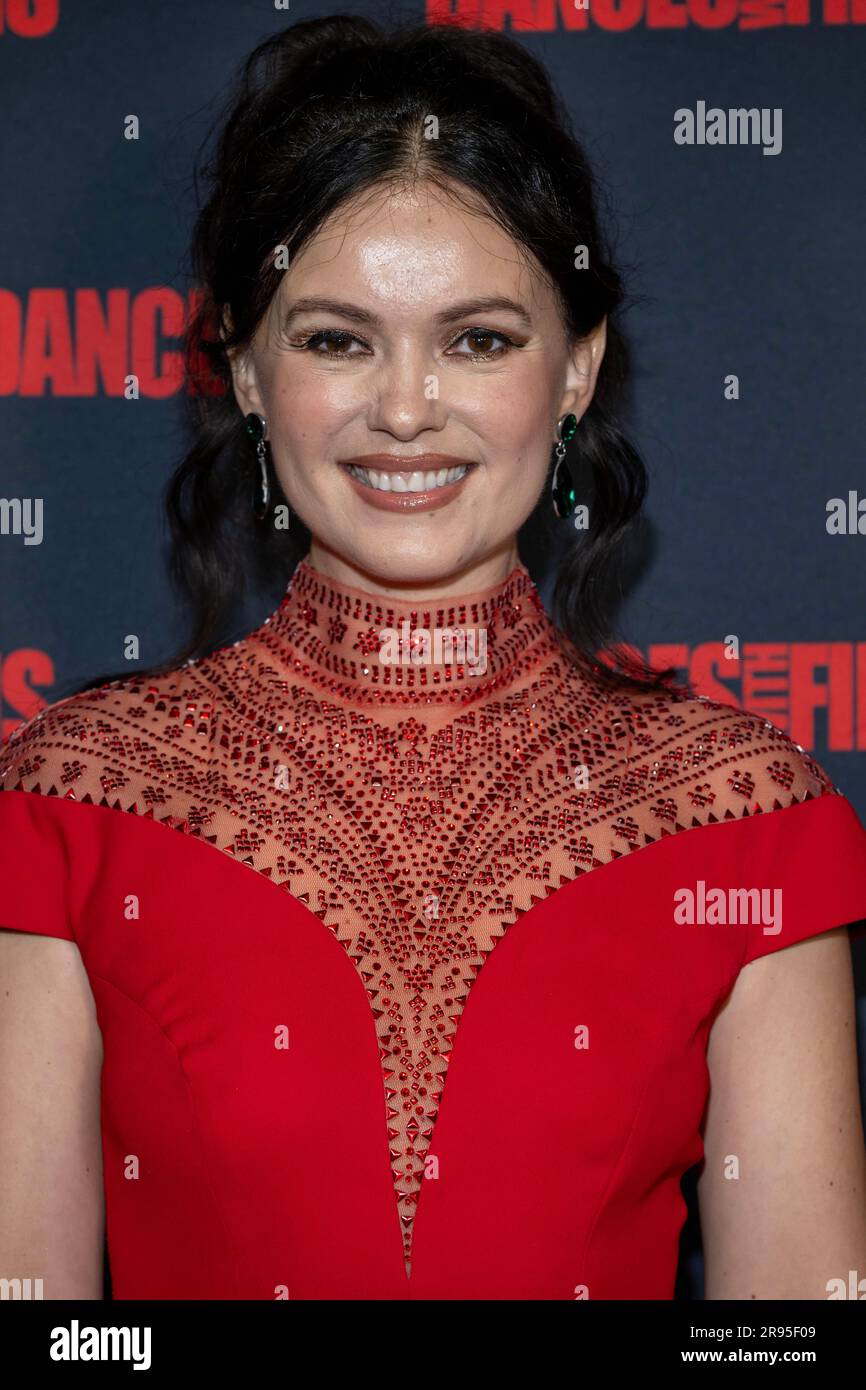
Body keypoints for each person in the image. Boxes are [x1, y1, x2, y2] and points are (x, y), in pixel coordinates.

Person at [1, 15, 865, 1302]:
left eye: (478, 338)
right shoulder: (72, 801)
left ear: (575, 370)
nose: (404, 407)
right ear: (244, 367)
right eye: (335, 338)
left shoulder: (742, 819)